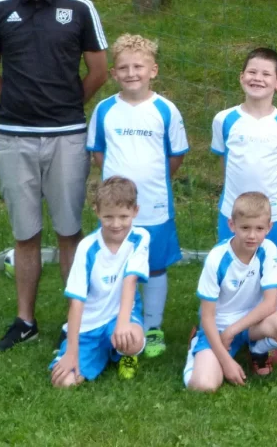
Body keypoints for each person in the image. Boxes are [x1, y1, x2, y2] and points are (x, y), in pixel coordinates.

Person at [0, 0, 108, 352]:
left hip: (67, 136)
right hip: (14, 137)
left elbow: (99, 70)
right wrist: (18, 103)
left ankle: (76, 322)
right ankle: (25, 321)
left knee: (69, 231)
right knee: (25, 233)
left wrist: (66, 104)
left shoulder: (81, 8)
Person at [87, 34, 189, 358]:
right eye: (124, 68)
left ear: (153, 70)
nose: (131, 73)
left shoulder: (165, 110)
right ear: (114, 73)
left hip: (154, 206)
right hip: (116, 210)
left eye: (139, 67)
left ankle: (153, 327)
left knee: (155, 267)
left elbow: (175, 156)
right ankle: (119, 322)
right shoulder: (105, 110)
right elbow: (98, 153)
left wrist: (152, 180)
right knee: (115, 263)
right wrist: (117, 191)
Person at [184, 192, 277, 392]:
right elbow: (207, 316)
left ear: (269, 227)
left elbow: (270, 304)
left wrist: (233, 331)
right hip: (217, 328)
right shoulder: (216, 259)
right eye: (245, 228)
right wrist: (226, 361)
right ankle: (196, 346)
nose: (252, 235)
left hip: (250, 325)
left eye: (259, 228)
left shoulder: (269, 250)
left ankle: (257, 351)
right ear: (232, 225)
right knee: (203, 386)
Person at [49, 177, 148, 387]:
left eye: (123, 216)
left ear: (135, 211)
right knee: (64, 382)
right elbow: (77, 301)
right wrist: (72, 352)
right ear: (97, 211)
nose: (116, 224)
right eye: (108, 217)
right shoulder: (87, 248)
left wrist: (122, 323)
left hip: (119, 316)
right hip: (89, 324)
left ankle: (125, 353)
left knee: (133, 339)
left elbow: (130, 280)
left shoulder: (140, 238)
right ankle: (103, 352)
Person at [210, 47, 277, 274]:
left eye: (266, 74)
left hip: (272, 214)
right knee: (229, 270)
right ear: (242, 77)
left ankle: (270, 299)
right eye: (252, 72)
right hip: (232, 210)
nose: (257, 78)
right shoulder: (224, 120)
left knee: (271, 270)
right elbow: (224, 160)